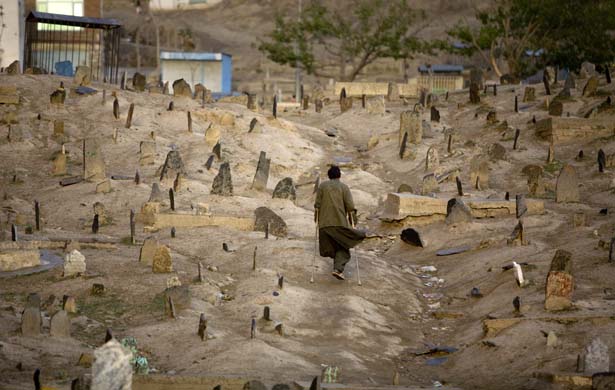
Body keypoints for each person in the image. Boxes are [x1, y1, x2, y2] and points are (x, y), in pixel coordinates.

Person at [314, 165, 366, 280]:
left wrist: (317, 221)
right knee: (343, 247)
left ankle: (337, 268)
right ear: (339, 175)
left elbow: (317, 205)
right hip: (339, 224)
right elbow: (350, 207)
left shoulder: (322, 186)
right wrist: (354, 221)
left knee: (332, 247)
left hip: (324, 225)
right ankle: (338, 269)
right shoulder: (344, 187)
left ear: (329, 175)